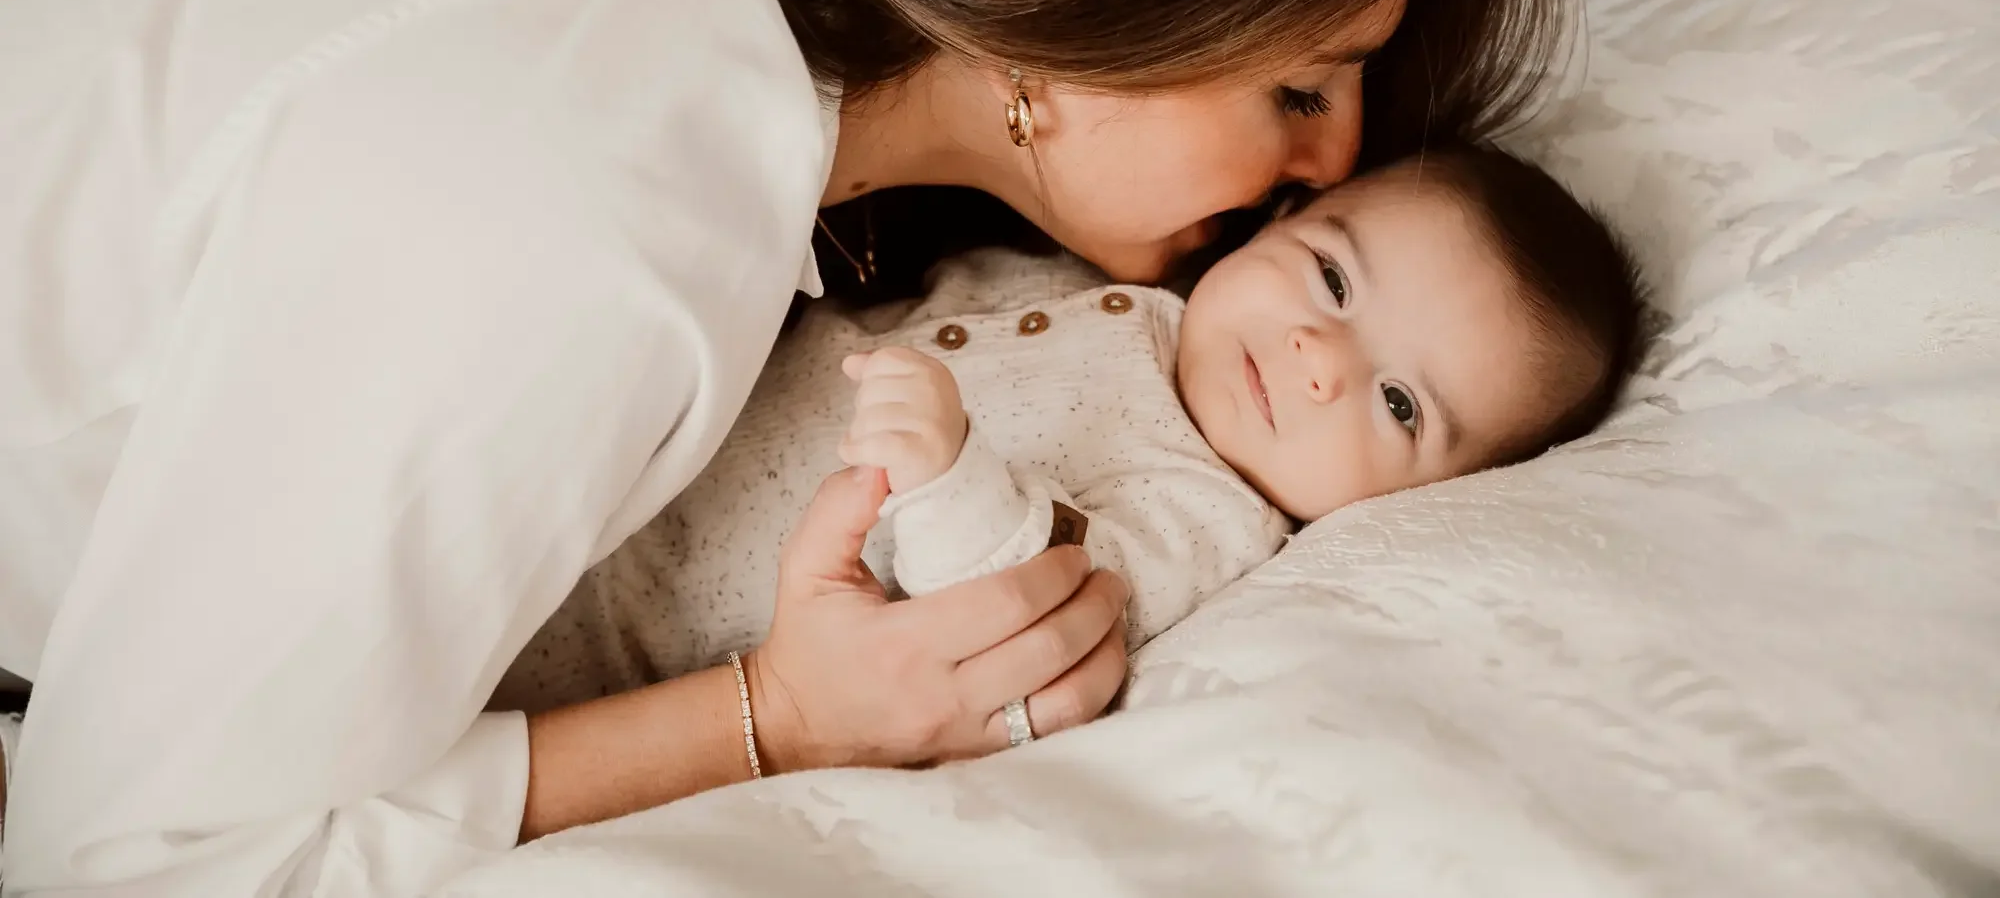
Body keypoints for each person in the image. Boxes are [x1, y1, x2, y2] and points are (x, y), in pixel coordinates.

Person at [0, 0, 1571, 894]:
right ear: (1068, 11)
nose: (1334, 161)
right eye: (1302, 84)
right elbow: (135, 858)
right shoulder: (594, 217)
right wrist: (774, 718)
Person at [497, 146, 1647, 714]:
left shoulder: (1208, 516)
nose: (1318, 357)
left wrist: (948, 477)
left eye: (1398, 405)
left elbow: (1029, 606)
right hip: (612, 445)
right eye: (1332, 281)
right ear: (1282, 217)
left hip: (624, 636)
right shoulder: (1112, 274)